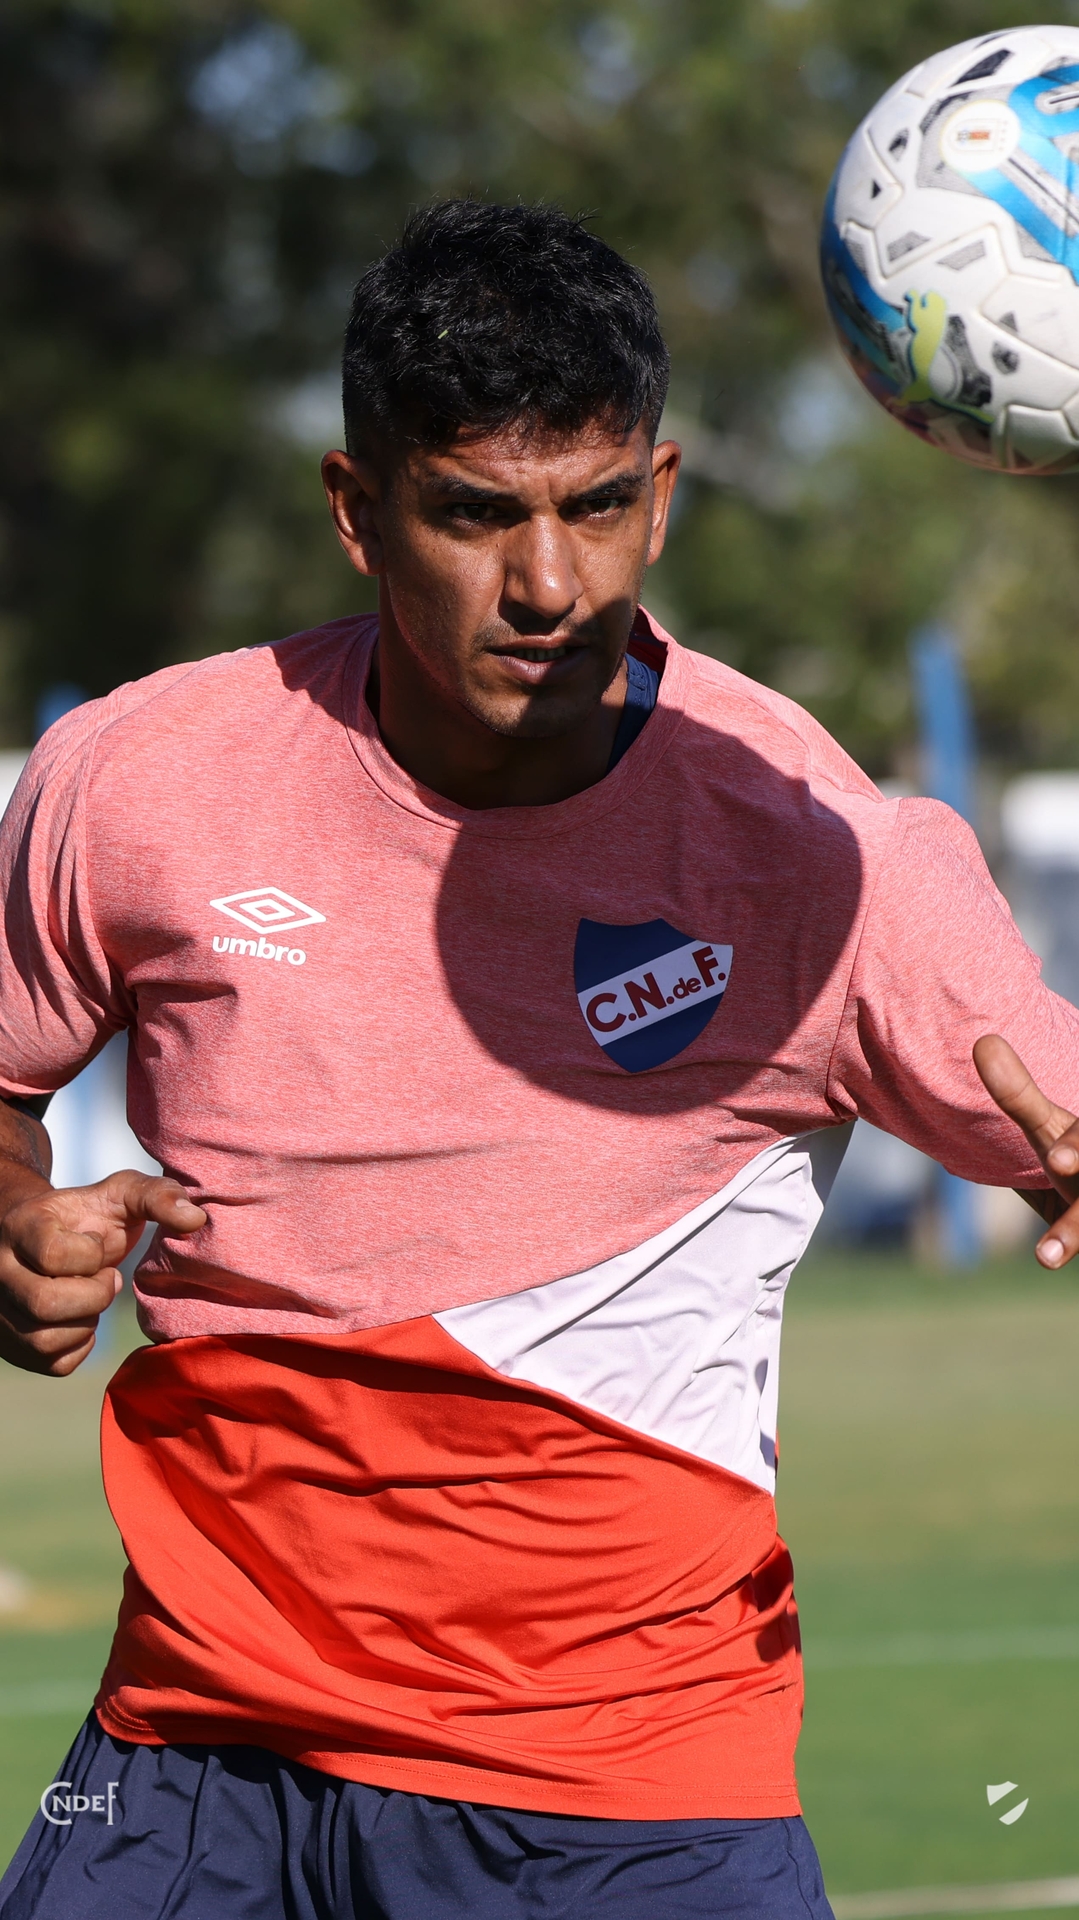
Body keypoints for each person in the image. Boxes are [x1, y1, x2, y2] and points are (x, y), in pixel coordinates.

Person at [0, 199, 1076, 1920]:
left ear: (663, 496)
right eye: (476, 514)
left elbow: (1053, 1106)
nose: (550, 587)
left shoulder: (819, 856)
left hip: (618, 1806)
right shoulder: (141, 782)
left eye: (596, 508)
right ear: (358, 511)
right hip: (193, 1756)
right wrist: (13, 1219)